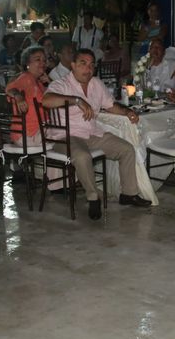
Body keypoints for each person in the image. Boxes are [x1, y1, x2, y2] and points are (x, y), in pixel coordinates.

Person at [43, 49, 151, 220]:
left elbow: (110, 105)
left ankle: (128, 194)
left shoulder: (96, 84)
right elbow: (46, 100)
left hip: (92, 134)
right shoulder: (61, 84)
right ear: (73, 66)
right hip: (66, 137)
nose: (88, 68)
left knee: (126, 149)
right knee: (82, 156)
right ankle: (93, 198)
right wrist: (76, 100)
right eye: (83, 64)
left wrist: (127, 111)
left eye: (92, 64)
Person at [5, 46, 50, 145]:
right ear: (27, 64)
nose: (42, 63)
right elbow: (10, 89)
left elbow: (54, 99)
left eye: (44, 60)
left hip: (38, 131)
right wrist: (18, 96)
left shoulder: (39, 83)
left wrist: (50, 83)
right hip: (28, 134)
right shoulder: (26, 77)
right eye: (38, 59)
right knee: (67, 132)